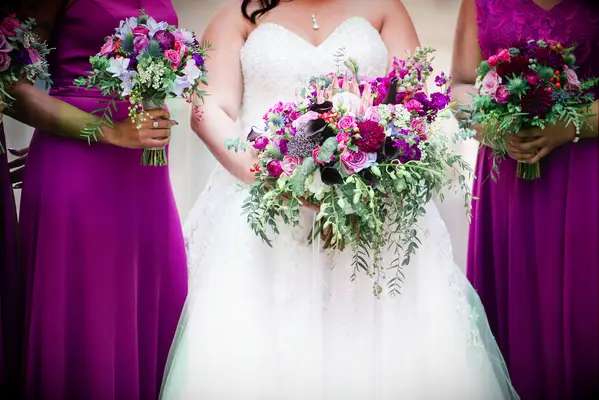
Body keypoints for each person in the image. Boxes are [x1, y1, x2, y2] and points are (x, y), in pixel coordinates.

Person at [160, 0, 518, 398]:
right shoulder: (236, 18)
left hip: (376, 207)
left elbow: (417, 101)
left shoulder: (384, 8)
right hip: (266, 213)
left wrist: (372, 168)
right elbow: (209, 110)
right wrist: (269, 174)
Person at [4, 0, 188, 398]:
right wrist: (109, 131)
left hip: (145, 174)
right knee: (91, 319)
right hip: (82, 161)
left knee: (158, 298)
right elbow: (8, 85)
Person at [451, 0, 599, 398]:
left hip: (586, 171)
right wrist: (491, 126)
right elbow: (462, 82)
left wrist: (570, 127)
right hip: (506, 178)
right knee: (514, 316)